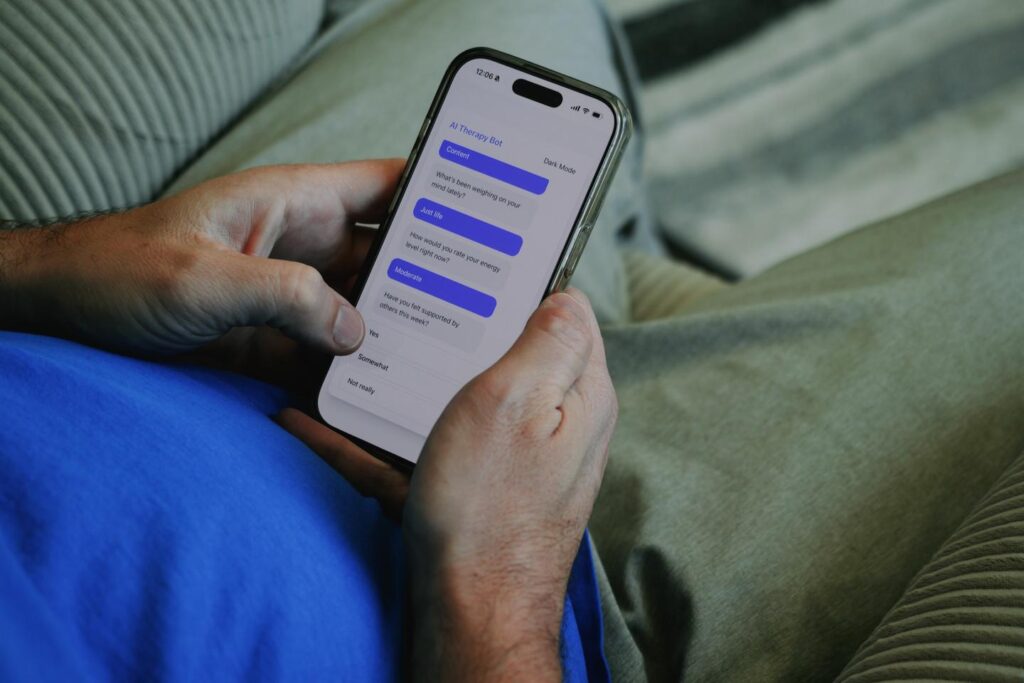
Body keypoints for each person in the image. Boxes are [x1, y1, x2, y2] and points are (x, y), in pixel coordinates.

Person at [2, 0, 1023, 680]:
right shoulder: (501, 588)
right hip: (515, 600)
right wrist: (497, 591)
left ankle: (620, 249)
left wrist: (48, 263)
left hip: (215, 347)